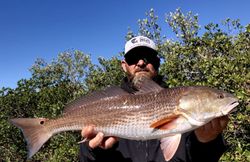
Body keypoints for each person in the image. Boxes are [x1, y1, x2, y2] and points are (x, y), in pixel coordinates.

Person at [79, 36, 229, 162]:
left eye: (148, 58)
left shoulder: (189, 111)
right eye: (133, 58)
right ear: (124, 65)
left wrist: (206, 142)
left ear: (157, 62)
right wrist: (92, 150)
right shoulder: (108, 102)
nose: (141, 63)